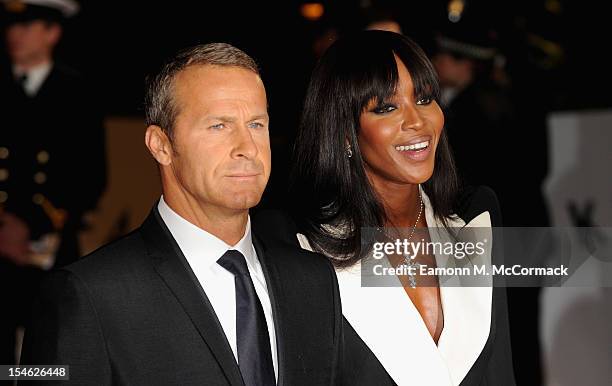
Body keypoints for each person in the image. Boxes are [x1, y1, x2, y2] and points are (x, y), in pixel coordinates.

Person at [19, 43, 342, 385]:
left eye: (257, 125)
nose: (248, 148)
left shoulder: (313, 280)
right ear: (161, 145)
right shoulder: (88, 295)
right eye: (219, 125)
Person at [287, 30, 515, 385]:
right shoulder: (304, 252)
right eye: (387, 108)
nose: (417, 122)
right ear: (346, 133)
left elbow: (500, 371)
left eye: (424, 99)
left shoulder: (475, 217)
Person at [0, 0, 106, 372]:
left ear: (52, 32)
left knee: (49, 353)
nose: (15, 34)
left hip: (51, 242)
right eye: (12, 25)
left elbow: (92, 176)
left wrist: (34, 226)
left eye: (27, 25)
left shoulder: (77, 92)